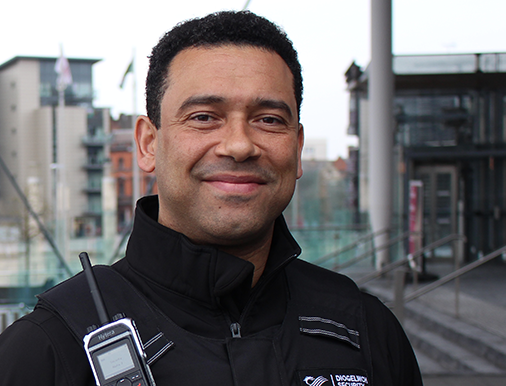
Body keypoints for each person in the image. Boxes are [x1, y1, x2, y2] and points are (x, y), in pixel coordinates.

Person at [0, 11, 422, 386]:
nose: (239, 145)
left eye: (268, 119)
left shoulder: (365, 330)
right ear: (148, 144)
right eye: (204, 117)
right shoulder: (48, 349)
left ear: (296, 149)